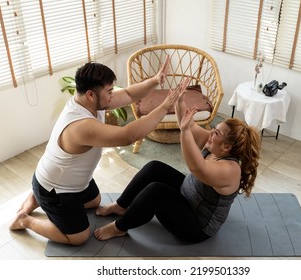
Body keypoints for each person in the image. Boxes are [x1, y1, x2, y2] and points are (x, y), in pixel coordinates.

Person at [10, 57, 186, 245]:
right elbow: (128, 135)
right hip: (58, 189)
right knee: (79, 237)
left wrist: (155, 80)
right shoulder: (81, 125)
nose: (113, 95)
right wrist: (165, 106)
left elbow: (127, 94)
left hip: (68, 181)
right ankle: (25, 219)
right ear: (91, 94)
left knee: (94, 201)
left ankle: (37, 197)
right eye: (109, 91)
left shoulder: (88, 102)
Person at [93, 85, 261, 243]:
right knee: (154, 168)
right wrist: (179, 101)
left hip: (197, 226)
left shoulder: (230, 170)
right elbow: (190, 125)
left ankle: (119, 228)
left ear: (227, 147)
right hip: (187, 195)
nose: (211, 133)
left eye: (216, 132)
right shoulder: (214, 145)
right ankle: (121, 205)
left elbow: (196, 167)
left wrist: (185, 131)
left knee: (156, 191)